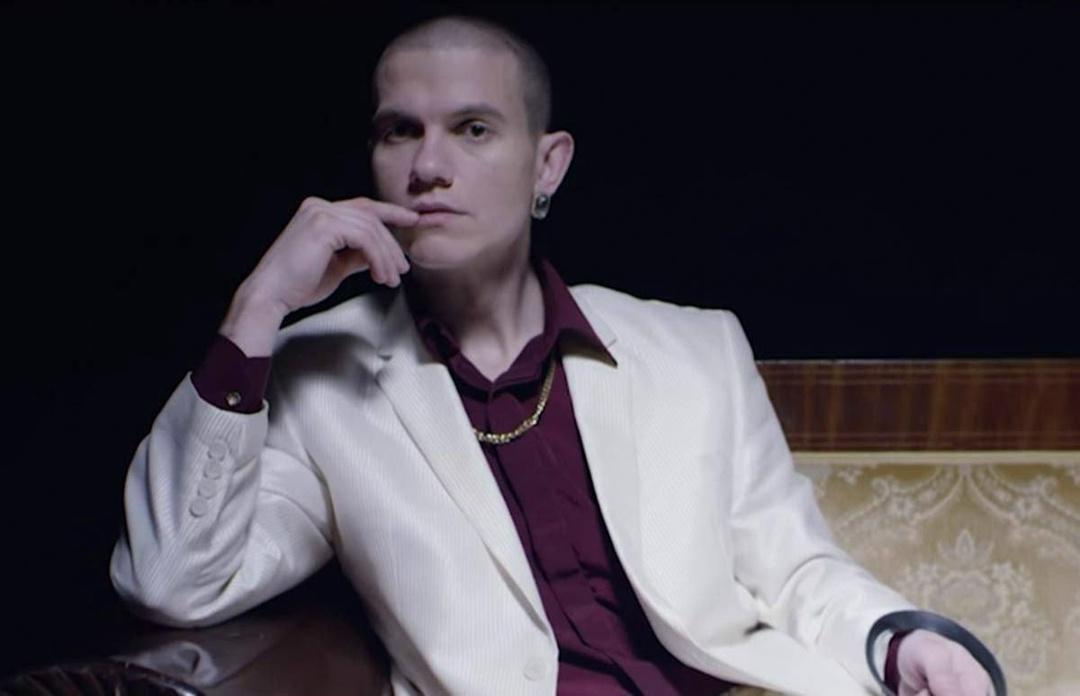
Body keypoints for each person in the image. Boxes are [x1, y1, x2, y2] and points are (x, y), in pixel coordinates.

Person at [111, 14, 996, 696]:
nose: (428, 167)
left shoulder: (697, 350)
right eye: (399, 131)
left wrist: (900, 641)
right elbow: (171, 581)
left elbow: (793, 569)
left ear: (547, 166)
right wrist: (256, 310)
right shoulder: (320, 376)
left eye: (473, 129)